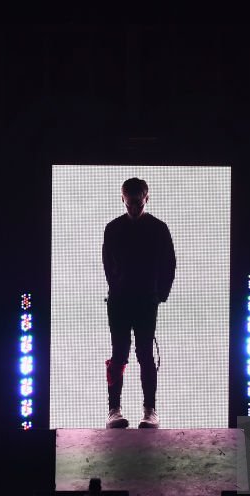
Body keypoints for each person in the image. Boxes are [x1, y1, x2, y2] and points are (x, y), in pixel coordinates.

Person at [102, 178, 176, 429]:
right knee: (120, 354)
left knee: (144, 354)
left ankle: (149, 410)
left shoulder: (158, 228)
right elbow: (108, 266)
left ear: (146, 198)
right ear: (122, 198)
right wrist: (119, 289)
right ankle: (114, 410)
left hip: (144, 301)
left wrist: (159, 294)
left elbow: (169, 265)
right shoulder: (113, 229)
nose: (133, 205)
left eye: (137, 200)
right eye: (129, 200)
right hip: (123, 301)